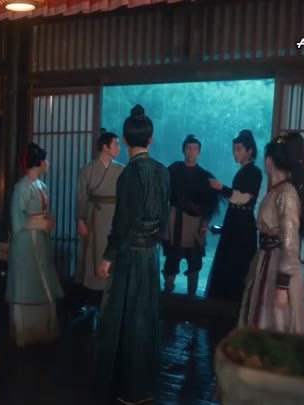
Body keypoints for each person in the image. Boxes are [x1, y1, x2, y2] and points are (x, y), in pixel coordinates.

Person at [96, 105, 170, 404]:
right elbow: (164, 216)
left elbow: (123, 222)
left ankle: (127, 386)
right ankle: (145, 385)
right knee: (146, 316)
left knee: (125, 318)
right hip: (150, 254)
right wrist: (153, 240)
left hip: (129, 256)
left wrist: (108, 256)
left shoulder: (128, 175)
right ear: (151, 139)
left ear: (125, 140)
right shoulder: (162, 171)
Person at [238, 131, 304, 334]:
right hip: (267, 260)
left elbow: (290, 244)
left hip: (278, 265)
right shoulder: (277, 191)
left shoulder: (286, 194)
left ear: (269, 160)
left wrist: (283, 286)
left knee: (275, 320)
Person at [5, 142, 64, 347]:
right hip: (26, 240)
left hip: (40, 238)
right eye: (45, 160)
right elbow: (16, 216)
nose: (48, 163)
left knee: (43, 278)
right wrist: (39, 222)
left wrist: (47, 220)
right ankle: (25, 332)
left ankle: (43, 330)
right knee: (27, 281)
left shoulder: (40, 185)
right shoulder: (22, 186)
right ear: (38, 162)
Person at [207, 130, 263, 302]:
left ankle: (234, 306)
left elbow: (243, 198)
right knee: (227, 265)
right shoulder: (242, 172)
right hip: (234, 223)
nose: (235, 153)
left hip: (243, 227)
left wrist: (221, 188)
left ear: (250, 151)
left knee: (238, 266)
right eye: (234, 149)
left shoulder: (255, 172)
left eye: (239, 149)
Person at [162, 135, 220, 295]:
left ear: (199, 152)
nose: (191, 151)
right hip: (174, 221)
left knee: (194, 261)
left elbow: (209, 203)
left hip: (196, 223)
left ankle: (192, 295)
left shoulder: (204, 175)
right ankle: (168, 293)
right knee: (172, 259)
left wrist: (205, 221)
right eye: (188, 148)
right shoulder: (173, 169)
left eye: (195, 148)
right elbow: (162, 190)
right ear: (183, 150)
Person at [75, 129, 124, 313]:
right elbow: (81, 197)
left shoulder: (121, 169)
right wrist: (80, 220)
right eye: (116, 144)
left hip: (114, 216)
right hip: (94, 216)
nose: (119, 148)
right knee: (94, 253)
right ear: (105, 147)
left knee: (111, 252)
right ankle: (92, 297)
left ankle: (110, 297)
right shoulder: (87, 169)